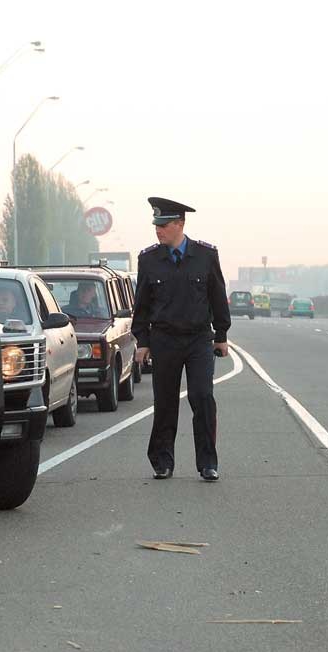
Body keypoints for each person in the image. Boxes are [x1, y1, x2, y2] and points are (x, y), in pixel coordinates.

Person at [132, 196, 230, 481]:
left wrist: (221, 334)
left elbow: (217, 296)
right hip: (164, 340)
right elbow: (142, 305)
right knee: (165, 402)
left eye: (163, 225)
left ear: (179, 224)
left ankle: (208, 462)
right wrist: (143, 341)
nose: (158, 230)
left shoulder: (205, 256)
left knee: (202, 397)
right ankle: (163, 461)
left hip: (199, 339)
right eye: (156, 225)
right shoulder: (149, 260)